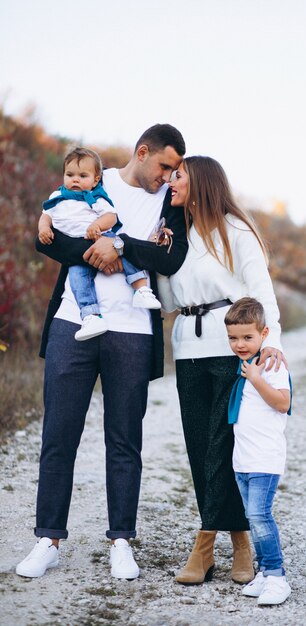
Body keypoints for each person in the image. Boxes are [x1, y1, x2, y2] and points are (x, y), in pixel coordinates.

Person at [15, 124, 187, 580]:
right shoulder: (92, 175)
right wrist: (97, 249)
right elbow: (45, 236)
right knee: (58, 434)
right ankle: (47, 539)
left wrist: (122, 244)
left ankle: (121, 543)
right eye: (164, 165)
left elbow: (170, 259)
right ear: (143, 152)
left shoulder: (170, 202)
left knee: (124, 440)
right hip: (73, 323)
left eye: (175, 170)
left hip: (133, 330)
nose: (168, 176)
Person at [167, 156, 285, 585]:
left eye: (178, 175)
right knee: (200, 446)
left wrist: (271, 346)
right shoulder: (176, 234)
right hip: (186, 346)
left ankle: (204, 544)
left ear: (200, 182)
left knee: (222, 444)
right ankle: (239, 539)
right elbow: (165, 299)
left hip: (229, 348)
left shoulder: (236, 232)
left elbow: (262, 292)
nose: (170, 181)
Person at [39, 147, 163, 342]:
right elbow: (46, 215)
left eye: (82, 175)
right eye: (69, 175)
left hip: (99, 236)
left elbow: (111, 217)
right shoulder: (58, 197)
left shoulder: (93, 196)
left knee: (123, 250)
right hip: (78, 250)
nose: (75, 180)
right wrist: (44, 229)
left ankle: (141, 288)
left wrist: (97, 225)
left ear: (95, 180)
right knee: (78, 279)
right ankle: (91, 316)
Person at [224, 297, 292, 606]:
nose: (240, 344)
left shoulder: (270, 365)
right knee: (253, 518)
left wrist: (256, 378)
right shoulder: (245, 364)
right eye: (233, 338)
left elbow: (282, 403)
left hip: (265, 456)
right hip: (244, 459)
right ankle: (264, 572)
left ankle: (277, 577)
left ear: (264, 334)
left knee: (260, 515)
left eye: (247, 337)